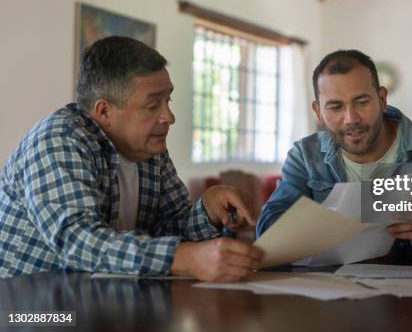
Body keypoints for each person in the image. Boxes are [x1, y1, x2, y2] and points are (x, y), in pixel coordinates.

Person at [0, 36, 262, 280]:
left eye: (167, 100)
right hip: (27, 313)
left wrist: (208, 210)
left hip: (102, 304)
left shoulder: (147, 148)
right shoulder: (58, 139)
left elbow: (166, 230)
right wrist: (181, 258)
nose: (168, 117)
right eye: (152, 105)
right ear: (105, 111)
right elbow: (78, 242)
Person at [256, 50, 412, 265]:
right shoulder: (305, 156)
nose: (350, 118)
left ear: (382, 99)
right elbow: (267, 236)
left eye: (361, 102)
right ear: (318, 112)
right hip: (334, 304)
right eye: (335, 107)